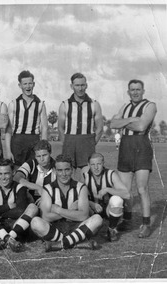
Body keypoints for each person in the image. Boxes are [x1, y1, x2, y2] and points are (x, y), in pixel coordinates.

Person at [110, 79, 157, 238]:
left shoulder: (150, 105)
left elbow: (142, 127)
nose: (135, 92)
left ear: (143, 90)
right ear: (128, 91)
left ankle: (146, 224)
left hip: (141, 148)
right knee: (125, 189)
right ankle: (127, 219)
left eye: (138, 89)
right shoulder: (125, 106)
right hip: (125, 148)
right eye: (132, 89)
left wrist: (122, 122)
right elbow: (112, 124)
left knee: (142, 189)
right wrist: (132, 120)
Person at [30, 154, 103, 252]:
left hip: (77, 227)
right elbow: (46, 217)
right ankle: (75, 243)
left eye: (67, 170)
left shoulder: (81, 187)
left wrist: (58, 210)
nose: (63, 174)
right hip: (55, 228)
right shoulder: (47, 188)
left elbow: (84, 215)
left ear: (72, 170)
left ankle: (60, 244)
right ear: (55, 171)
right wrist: (70, 211)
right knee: (35, 222)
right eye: (60, 170)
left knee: (97, 219)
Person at [0, 159, 39, 252]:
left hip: (16, 227)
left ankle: (7, 239)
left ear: (13, 173)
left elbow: (20, 210)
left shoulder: (20, 187)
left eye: (6, 173)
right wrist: (8, 206)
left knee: (33, 207)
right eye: (0, 174)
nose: (3, 177)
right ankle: (8, 239)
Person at [58, 73, 103, 170]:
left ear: (86, 85)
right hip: (69, 142)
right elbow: (61, 128)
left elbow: (99, 128)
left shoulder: (94, 104)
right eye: (77, 85)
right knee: (68, 174)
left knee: (87, 175)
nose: (80, 88)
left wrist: (91, 143)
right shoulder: (65, 105)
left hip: (87, 142)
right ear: (72, 86)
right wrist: (65, 143)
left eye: (82, 85)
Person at [82, 153, 130, 242]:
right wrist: (92, 204)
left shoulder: (111, 174)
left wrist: (108, 189)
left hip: (108, 209)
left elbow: (126, 194)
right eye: (93, 165)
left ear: (103, 163)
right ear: (88, 165)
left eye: (99, 164)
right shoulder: (85, 176)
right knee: (78, 204)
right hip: (92, 210)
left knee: (117, 200)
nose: (96, 167)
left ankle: (111, 229)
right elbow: (78, 196)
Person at [6, 70, 48, 167]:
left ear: (33, 84)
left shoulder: (40, 104)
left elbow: (44, 128)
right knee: (16, 170)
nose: (28, 86)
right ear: (20, 85)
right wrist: (8, 151)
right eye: (25, 84)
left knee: (33, 169)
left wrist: (44, 147)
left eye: (30, 83)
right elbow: (8, 129)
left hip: (34, 140)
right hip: (17, 141)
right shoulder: (14, 104)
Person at [13, 140, 56, 204]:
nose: (42, 159)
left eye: (44, 155)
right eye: (38, 156)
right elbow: (16, 177)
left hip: (50, 200)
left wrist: (47, 197)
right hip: (31, 200)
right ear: (35, 156)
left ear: (50, 153)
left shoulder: (56, 166)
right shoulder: (31, 163)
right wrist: (38, 187)